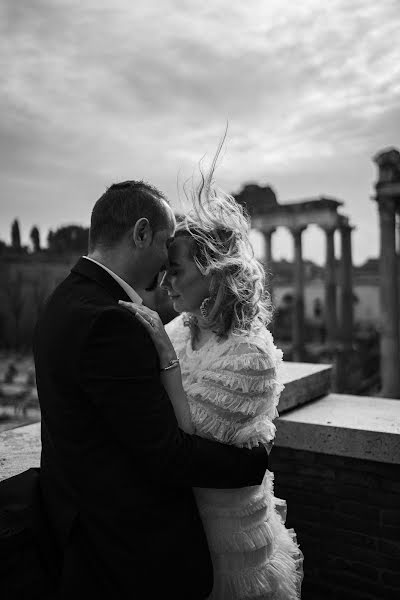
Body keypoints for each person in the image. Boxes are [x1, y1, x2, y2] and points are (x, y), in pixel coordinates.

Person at [33, 180, 269, 600]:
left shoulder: (64, 300)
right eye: (165, 247)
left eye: (175, 268)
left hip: (88, 537)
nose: (164, 272)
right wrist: (249, 464)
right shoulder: (112, 322)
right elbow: (168, 454)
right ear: (141, 234)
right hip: (128, 554)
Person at [120, 173, 303, 599]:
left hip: (224, 542)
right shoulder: (181, 329)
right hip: (177, 528)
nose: (164, 284)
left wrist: (162, 355)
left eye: (176, 271)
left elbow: (180, 438)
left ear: (214, 272)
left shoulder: (249, 356)